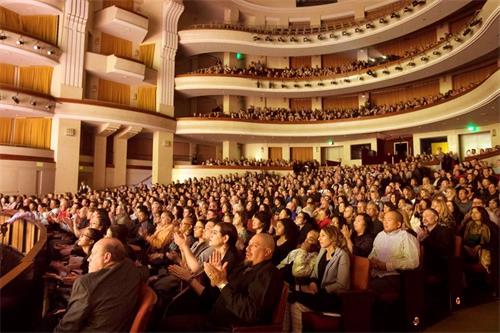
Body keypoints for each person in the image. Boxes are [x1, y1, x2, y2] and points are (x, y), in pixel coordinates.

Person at [55, 238, 145, 332]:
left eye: (93, 254)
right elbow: (145, 271)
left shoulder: (85, 284)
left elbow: (67, 328)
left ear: (107, 257)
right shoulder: (130, 267)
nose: (89, 259)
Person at [203, 233, 284, 330]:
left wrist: (221, 283)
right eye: (248, 244)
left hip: (230, 328)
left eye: (254, 245)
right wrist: (215, 280)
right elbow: (224, 293)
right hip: (211, 320)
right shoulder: (244, 266)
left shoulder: (268, 273)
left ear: (267, 252)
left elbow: (250, 312)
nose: (247, 248)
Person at [289, 225, 351, 332]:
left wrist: (322, 290)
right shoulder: (322, 251)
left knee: (294, 298)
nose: (319, 239)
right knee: (290, 295)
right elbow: (315, 272)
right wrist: (313, 282)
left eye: (323, 236)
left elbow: (342, 284)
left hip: (331, 297)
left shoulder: (342, 255)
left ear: (332, 238)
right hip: (319, 293)